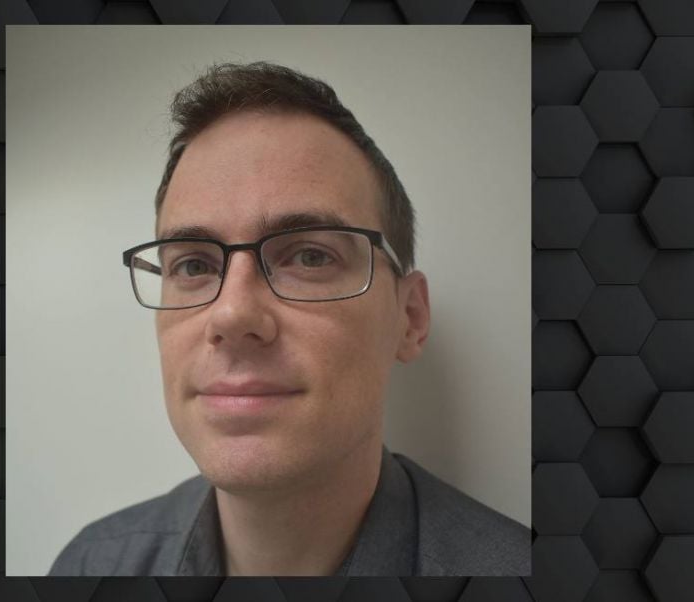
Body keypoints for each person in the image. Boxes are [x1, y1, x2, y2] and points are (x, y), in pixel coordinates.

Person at [50, 61, 529, 576]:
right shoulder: (91, 563)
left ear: (409, 318)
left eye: (310, 257)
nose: (232, 313)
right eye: (193, 264)